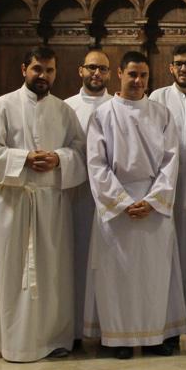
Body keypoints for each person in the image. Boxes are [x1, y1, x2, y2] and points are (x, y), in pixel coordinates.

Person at [0, 46, 86, 362]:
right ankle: (14, 340)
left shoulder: (64, 111)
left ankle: (53, 338)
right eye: (38, 69)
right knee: (12, 272)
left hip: (52, 206)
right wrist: (23, 157)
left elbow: (80, 153)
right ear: (24, 69)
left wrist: (58, 158)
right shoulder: (3, 106)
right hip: (16, 203)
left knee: (53, 274)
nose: (44, 76)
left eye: (49, 70)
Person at [85, 50, 186, 359]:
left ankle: (154, 335)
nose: (138, 80)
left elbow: (172, 160)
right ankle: (119, 339)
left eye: (143, 75)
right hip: (116, 206)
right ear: (119, 74)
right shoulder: (103, 114)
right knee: (117, 275)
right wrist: (121, 201)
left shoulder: (161, 114)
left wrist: (154, 200)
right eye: (132, 74)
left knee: (154, 275)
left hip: (153, 205)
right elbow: (96, 164)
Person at [149, 44, 186, 348]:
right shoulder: (157, 99)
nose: (184, 69)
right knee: (166, 260)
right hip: (165, 189)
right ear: (170, 68)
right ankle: (167, 329)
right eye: (178, 64)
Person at [64, 48, 113, 349]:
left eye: (103, 69)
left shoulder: (117, 106)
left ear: (110, 73)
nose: (97, 74)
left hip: (107, 198)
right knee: (78, 260)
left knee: (107, 263)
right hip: (78, 196)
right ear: (80, 70)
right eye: (92, 68)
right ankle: (77, 329)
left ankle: (108, 325)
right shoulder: (66, 108)